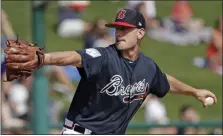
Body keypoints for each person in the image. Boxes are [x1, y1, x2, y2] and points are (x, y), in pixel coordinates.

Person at [5, 9, 217, 134]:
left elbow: (164, 81)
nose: (119, 33)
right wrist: (45, 58)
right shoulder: (103, 57)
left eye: (126, 29)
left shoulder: (148, 67)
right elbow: (75, 56)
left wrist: (195, 92)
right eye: (117, 28)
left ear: (141, 33)